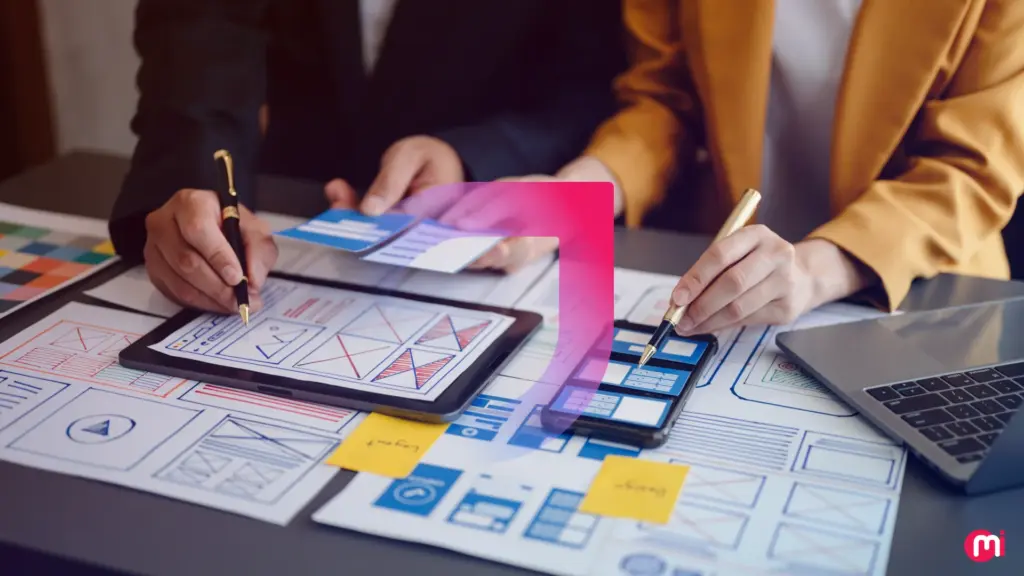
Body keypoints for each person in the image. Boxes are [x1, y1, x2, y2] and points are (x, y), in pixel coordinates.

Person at [517, 0, 1024, 335]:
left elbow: (972, 168)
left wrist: (814, 271)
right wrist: (582, 190)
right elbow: (667, 99)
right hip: (720, 278)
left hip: (919, 296)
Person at [109, 0, 625, 313]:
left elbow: (593, 81)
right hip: (289, 217)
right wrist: (197, 180)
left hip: (495, 235)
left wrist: (471, 160)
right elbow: (199, 26)